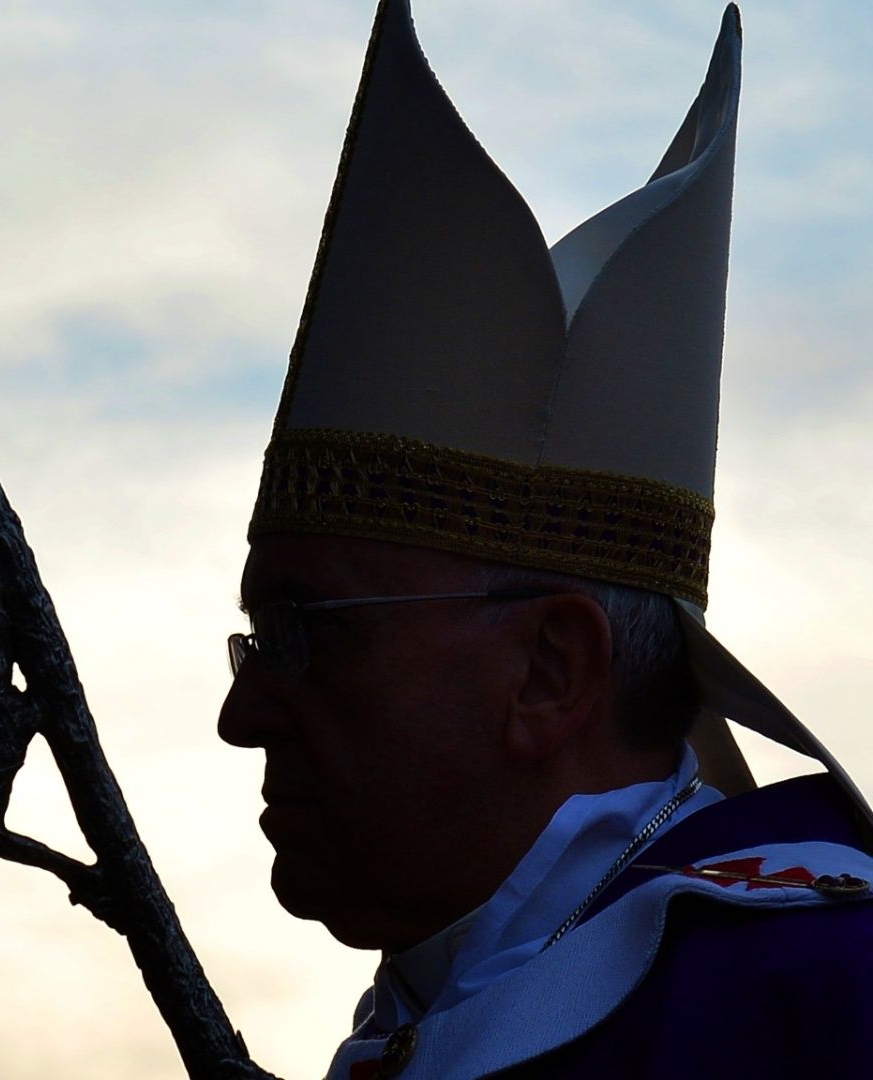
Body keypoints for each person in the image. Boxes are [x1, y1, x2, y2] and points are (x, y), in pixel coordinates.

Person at [215, 3, 873, 1077]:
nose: (241, 714)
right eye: (255, 641)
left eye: (304, 633)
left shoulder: (822, 1002)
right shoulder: (416, 1026)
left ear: (549, 672)